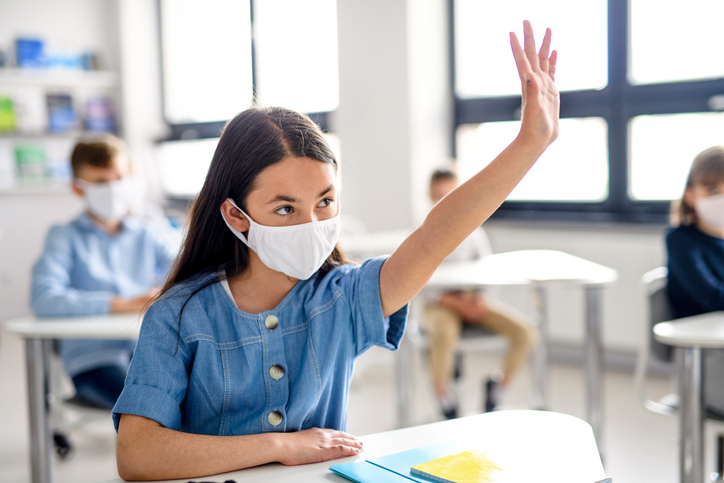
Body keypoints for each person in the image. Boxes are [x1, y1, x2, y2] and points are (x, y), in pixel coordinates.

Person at [113, 21, 559, 481]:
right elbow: (138, 454)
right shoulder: (179, 315)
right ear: (236, 217)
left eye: (325, 202)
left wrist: (529, 145)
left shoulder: (343, 297)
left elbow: (433, 236)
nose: (311, 225)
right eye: (285, 208)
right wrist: (279, 446)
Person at [31, 135, 179, 410]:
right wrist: (122, 304)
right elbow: (44, 299)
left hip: (148, 353)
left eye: (120, 178)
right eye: (100, 182)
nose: (113, 188)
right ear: (78, 188)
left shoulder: (147, 230)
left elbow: (187, 270)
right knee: (152, 407)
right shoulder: (64, 236)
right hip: (94, 360)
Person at [425, 168, 537, 418]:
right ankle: (443, 397)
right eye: (440, 195)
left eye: (452, 193)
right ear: (430, 196)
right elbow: (418, 282)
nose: (447, 200)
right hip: (440, 303)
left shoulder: (474, 231)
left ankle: (498, 389)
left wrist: (479, 300)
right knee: (444, 334)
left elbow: (487, 269)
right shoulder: (422, 232)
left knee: (525, 332)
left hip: (472, 300)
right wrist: (451, 301)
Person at [666, 145, 724, 417]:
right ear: (690, 195)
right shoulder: (681, 241)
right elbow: (713, 298)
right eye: (712, 190)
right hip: (705, 356)